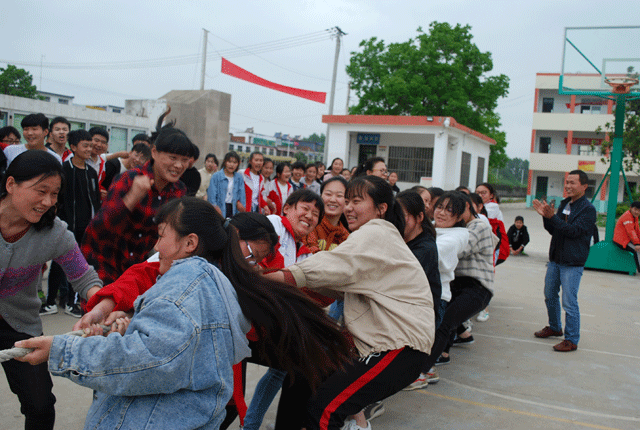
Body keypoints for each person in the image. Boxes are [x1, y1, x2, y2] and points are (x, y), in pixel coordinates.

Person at [15, 197, 351, 430]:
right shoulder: (210, 279)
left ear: (190, 243)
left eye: (162, 236)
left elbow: (148, 360)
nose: (157, 245)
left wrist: (61, 350)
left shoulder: (189, 284)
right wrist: (112, 313)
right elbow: (142, 280)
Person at [270, 176, 434, 430]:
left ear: (381, 209)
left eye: (356, 201)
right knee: (302, 375)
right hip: (378, 343)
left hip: (397, 346)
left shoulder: (378, 231)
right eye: (346, 201)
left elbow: (334, 265)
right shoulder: (369, 237)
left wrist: (277, 276)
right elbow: (335, 282)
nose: (347, 207)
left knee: (325, 410)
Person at [1, 151, 102, 430]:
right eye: (41, 191)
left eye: (55, 193)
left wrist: (103, 306)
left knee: (41, 404)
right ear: (11, 184)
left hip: (19, 323)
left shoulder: (55, 233)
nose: (48, 202)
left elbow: (83, 277)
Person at [81, 121, 192, 285]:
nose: (178, 165)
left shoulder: (178, 190)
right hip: (103, 262)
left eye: (184, 160)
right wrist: (132, 198)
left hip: (135, 268)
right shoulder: (130, 179)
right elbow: (99, 227)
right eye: (173, 158)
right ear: (154, 152)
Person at [419, 192, 495, 372]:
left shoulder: (477, 227)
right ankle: (442, 355)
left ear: (464, 211)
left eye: (451, 209)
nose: (443, 213)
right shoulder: (439, 228)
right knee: (441, 318)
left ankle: (421, 372)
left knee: (445, 322)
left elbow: (455, 250)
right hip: (454, 283)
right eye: (440, 207)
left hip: (476, 286)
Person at [532, 169, 597, 352]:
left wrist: (553, 217)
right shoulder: (564, 204)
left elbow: (573, 232)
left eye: (572, 183)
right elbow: (555, 230)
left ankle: (571, 339)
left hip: (572, 263)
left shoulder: (588, 210)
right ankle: (554, 327)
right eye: (567, 182)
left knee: (569, 302)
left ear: (584, 186)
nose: (568, 186)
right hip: (555, 259)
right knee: (549, 294)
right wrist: (547, 218)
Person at [41, 130, 101, 318]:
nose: (89, 149)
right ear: (73, 147)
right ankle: (50, 302)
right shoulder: (63, 170)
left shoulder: (92, 172)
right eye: (85, 145)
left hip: (86, 228)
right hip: (65, 226)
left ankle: (71, 303)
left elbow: (95, 199)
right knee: (58, 266)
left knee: (79, 266)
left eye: (91, 146)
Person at [396, 190, 442, 391]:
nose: (396, 221)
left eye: (402, 216)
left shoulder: (425, 248)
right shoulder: (405, 241)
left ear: (419, 217)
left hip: (420, 322)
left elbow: (398, 281)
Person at [87, 127, 129, 199]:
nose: (99, 145)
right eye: (96, 140)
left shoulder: (101, 161)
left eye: (103, 142)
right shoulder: (79, 158)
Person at [207, 151, 246, 218]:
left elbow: (242, 195)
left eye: (235, 162)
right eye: (229, 162)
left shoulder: (239, 177)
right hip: (219, 208)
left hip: (233, 209)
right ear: (225, 162)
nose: (232, 165)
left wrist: (241, 207)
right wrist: (215, 207)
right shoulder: (216, 176)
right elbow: (211, 196)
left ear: (238, 164)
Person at [613, 201, 640, 272]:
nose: (637, 212)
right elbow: (631, 231)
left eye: (639, 210)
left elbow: (637, 231)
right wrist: (637, 244)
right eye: (635, 209)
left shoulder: (635, 217)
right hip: (621, 240)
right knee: (638, 250)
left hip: (628, 239)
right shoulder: (627, 216)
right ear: (631, 208)